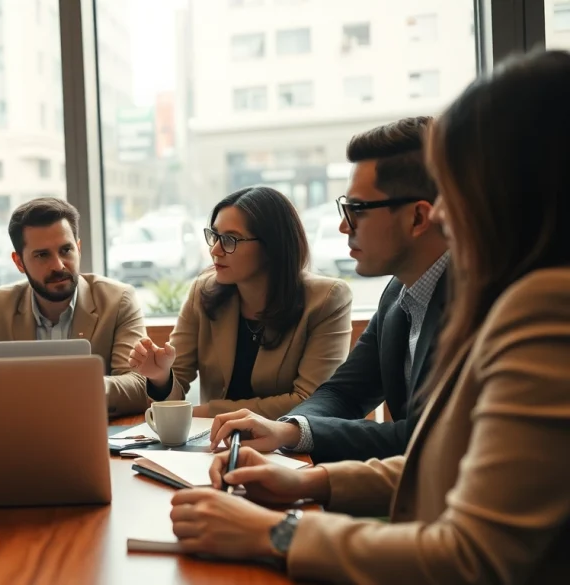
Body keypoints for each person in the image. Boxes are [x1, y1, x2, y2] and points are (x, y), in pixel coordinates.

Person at [170, 49, 570, 584]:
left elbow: (474, 556)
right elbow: (440, 456)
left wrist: (275, 533)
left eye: (454, 191)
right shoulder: (406, 297)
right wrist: (302, 475)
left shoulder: (543, 305)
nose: (447, 215)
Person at [207, 117, 451, 463]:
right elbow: (344, 392)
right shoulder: (399, 294)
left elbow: (423, 436)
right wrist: (287, 427)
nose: (342, 226)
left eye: (357, 210)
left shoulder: (478, 303)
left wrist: (291, 433)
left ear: (417, 218)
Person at [129, 186, 352, 419]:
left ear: (272, 245)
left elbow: (309, 401)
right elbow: (175, 389)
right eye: (214, 236)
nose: (215, 250)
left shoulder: (326, 300)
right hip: (213, 443)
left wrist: (208, 412)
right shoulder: (203, 292)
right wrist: (161, 377)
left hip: (288, 447)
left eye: (230, 239)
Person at [0, 197, 149, 416]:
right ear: (19, 262)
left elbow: (138, 385)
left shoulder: (118, 300)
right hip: (18, 434)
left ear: (78, 249)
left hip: (90, 431)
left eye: (65, 250)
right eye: (42, 255)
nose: (58, 265)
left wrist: (81, 386)